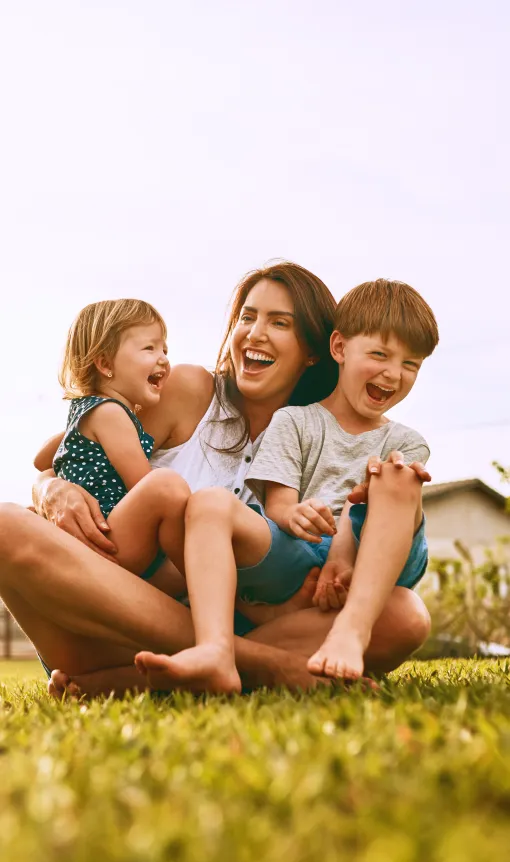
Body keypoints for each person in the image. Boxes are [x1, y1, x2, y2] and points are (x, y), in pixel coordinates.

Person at [0, 262, 431, 697]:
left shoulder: (326, 437)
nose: (255, 332)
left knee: (404, 615)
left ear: (315, 350)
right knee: (5, 524)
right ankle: (266, 666)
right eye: (247, 316)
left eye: (279, 322)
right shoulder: (189, 390)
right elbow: (77, 444)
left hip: (252, 624)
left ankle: (141, 678)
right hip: (106, 615)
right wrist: (52, 489)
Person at [160, 278, 438, 692]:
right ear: (339, 348)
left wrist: (345, 546)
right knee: (209, 504)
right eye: (379, 354)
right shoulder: (294, 421)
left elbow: (380, 517)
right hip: (304, 550)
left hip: (375, 555)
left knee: (396, 477)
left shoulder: (405, 441)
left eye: (410, 364)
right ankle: (215, 650)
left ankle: (352, 631)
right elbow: (278, 505)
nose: (392, 373)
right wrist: (293, 513)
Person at [52, 298, 188, 589]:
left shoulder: (85, 409)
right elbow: (143, 484)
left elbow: (43, 459)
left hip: (105, 540)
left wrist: (65, 481)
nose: (163, 358)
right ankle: (203, 576)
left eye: (165, 349)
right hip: (109, 539)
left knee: (198, 583)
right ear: (105, 363)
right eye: (149, 348)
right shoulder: (111, 413)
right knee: (166, 485)